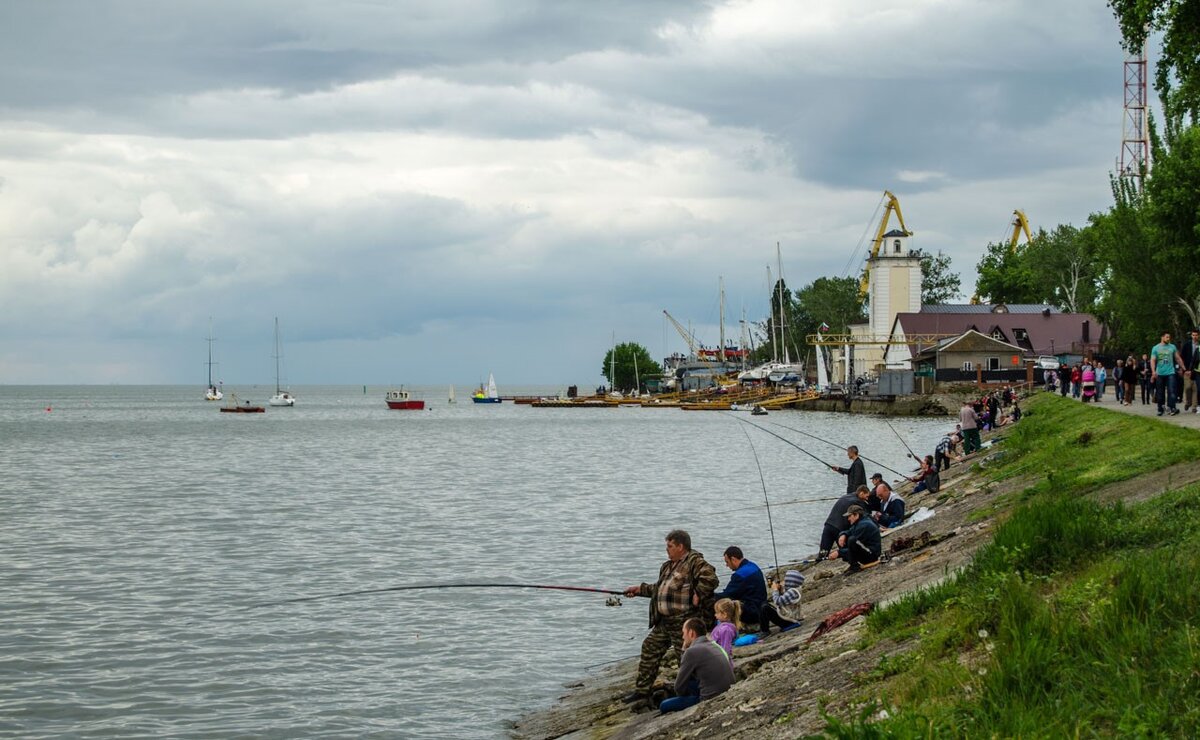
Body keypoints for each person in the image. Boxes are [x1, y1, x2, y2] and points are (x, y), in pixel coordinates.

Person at [622, 530, 719, 706]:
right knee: (649, 647)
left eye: (670, 546)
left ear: (681, 546)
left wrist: (699, 593)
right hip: (664, 622)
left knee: (685, 657)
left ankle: (693, 693)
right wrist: (639, 589)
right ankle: (642, 692)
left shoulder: (694, 562)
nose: (667, 549)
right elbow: (659, 589)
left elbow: (711, 577)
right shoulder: (667, 566)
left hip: (684, 621)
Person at [657, 617, 734, 713]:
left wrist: (683, 650)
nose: (682, 637)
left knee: (664, 705)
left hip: (710, 698)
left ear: (691, 633)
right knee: (690, 682)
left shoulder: (692, 651)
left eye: (683, 633)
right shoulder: (714, 645)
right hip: (727, 689)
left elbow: (678, 688)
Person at [713, 546, 767, 634]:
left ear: (733, 559)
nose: (727, 565)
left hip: (753, 613)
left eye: (727, 562)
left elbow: (727, 596)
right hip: (760, 607)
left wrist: (709, 595)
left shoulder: (740, 575)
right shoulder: (752, 565)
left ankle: (720, 631)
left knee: (721, 603)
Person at [818, 485, 871, 559]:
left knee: (823, 552)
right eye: (867, 496)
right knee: (846, 551)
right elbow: (866, 516)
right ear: (861, 493)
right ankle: (854, 566)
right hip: (839, 529)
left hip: (828, 525)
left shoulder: (845, 496)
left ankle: (819, 560)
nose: (867, 499)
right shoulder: (858, 502)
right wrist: (878, 526)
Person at [826, 504, 882, 573]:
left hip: (872, 554)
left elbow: (853, 546)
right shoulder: (860, 522)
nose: (848, 519)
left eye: (850, 516)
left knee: (851, 540)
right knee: (848, 538)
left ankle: (854, 566)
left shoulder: (863, 525)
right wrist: (843, 534)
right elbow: (849, 531)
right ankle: (853, 564)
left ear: (856, 515)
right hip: (866, 549)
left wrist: (839, 553)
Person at [1150, 332, 1186, 417]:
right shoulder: (1156, 348)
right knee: (1160, 392)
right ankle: (1160, 409)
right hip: (1160, 373)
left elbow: (1177, 358)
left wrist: (1184, 368)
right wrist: (1153, 371)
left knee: (1172, 391)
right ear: (1162, 337)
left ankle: (1172, 408)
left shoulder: (1172, 347)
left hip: (1170, 372)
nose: (1168, 339)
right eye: (1167, 337)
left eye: (1169, 337)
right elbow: (1153, 360)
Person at [760, 569, 804, 635]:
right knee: (764, 604)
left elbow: (777, 601)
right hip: (788, 617)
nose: (784, 581)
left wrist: (775, 590)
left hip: (788, 620)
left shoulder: (792, 592)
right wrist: (780, 590)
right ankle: (764, 629)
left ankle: (765, 631)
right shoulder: (795, 590)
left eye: (786, 580)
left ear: (790, 581)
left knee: (765, 608)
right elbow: (785, 600)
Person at [710, 599, 739, 669]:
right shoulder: (721, 626)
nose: (715, 615)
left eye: (717, 612)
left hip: (722, 665)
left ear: (724, 614)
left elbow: (725, 649)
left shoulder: (726, 630)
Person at [1182, 329, 1200, 412]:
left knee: (1196, 388)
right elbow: (1182, 357)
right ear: (1191, 336)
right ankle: (1188, 402)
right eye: (1193, 335)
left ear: (1198, 336)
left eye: (1196, 335)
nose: (1195, 337)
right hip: (1187, 369)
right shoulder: (1187, 345)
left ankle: (1194, 406)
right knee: (1188, 387)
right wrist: (1184, 369)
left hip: (1196, 370)